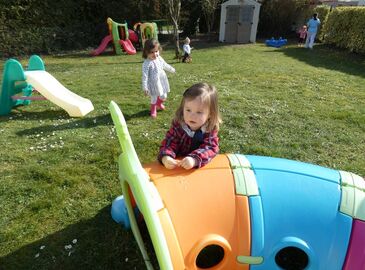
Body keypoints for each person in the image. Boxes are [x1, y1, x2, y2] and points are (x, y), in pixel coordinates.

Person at [158, 82, 221, 170]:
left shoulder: (209, 129)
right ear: (182, 108)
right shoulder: (179, 125)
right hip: (178, 166)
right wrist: (166, 157)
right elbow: (169, 142)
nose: (192, 116)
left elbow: (211, 148)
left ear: (210, 114)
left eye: (199, 112)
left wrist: (194, 159)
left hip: (199, 170)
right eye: (188, 110)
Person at [142, 38, 176, 118]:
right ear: (146, 52)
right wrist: (145, 87)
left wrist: (172, 69)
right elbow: (145, 76)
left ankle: (159, 103)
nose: (155, 54)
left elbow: (165, 65)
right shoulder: (146, 63)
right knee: (154, 96)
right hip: (153, 83)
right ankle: (153, 108)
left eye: (156, 51)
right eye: (152, 52)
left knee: (164, 96)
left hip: (161, 80)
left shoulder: (159, 58)